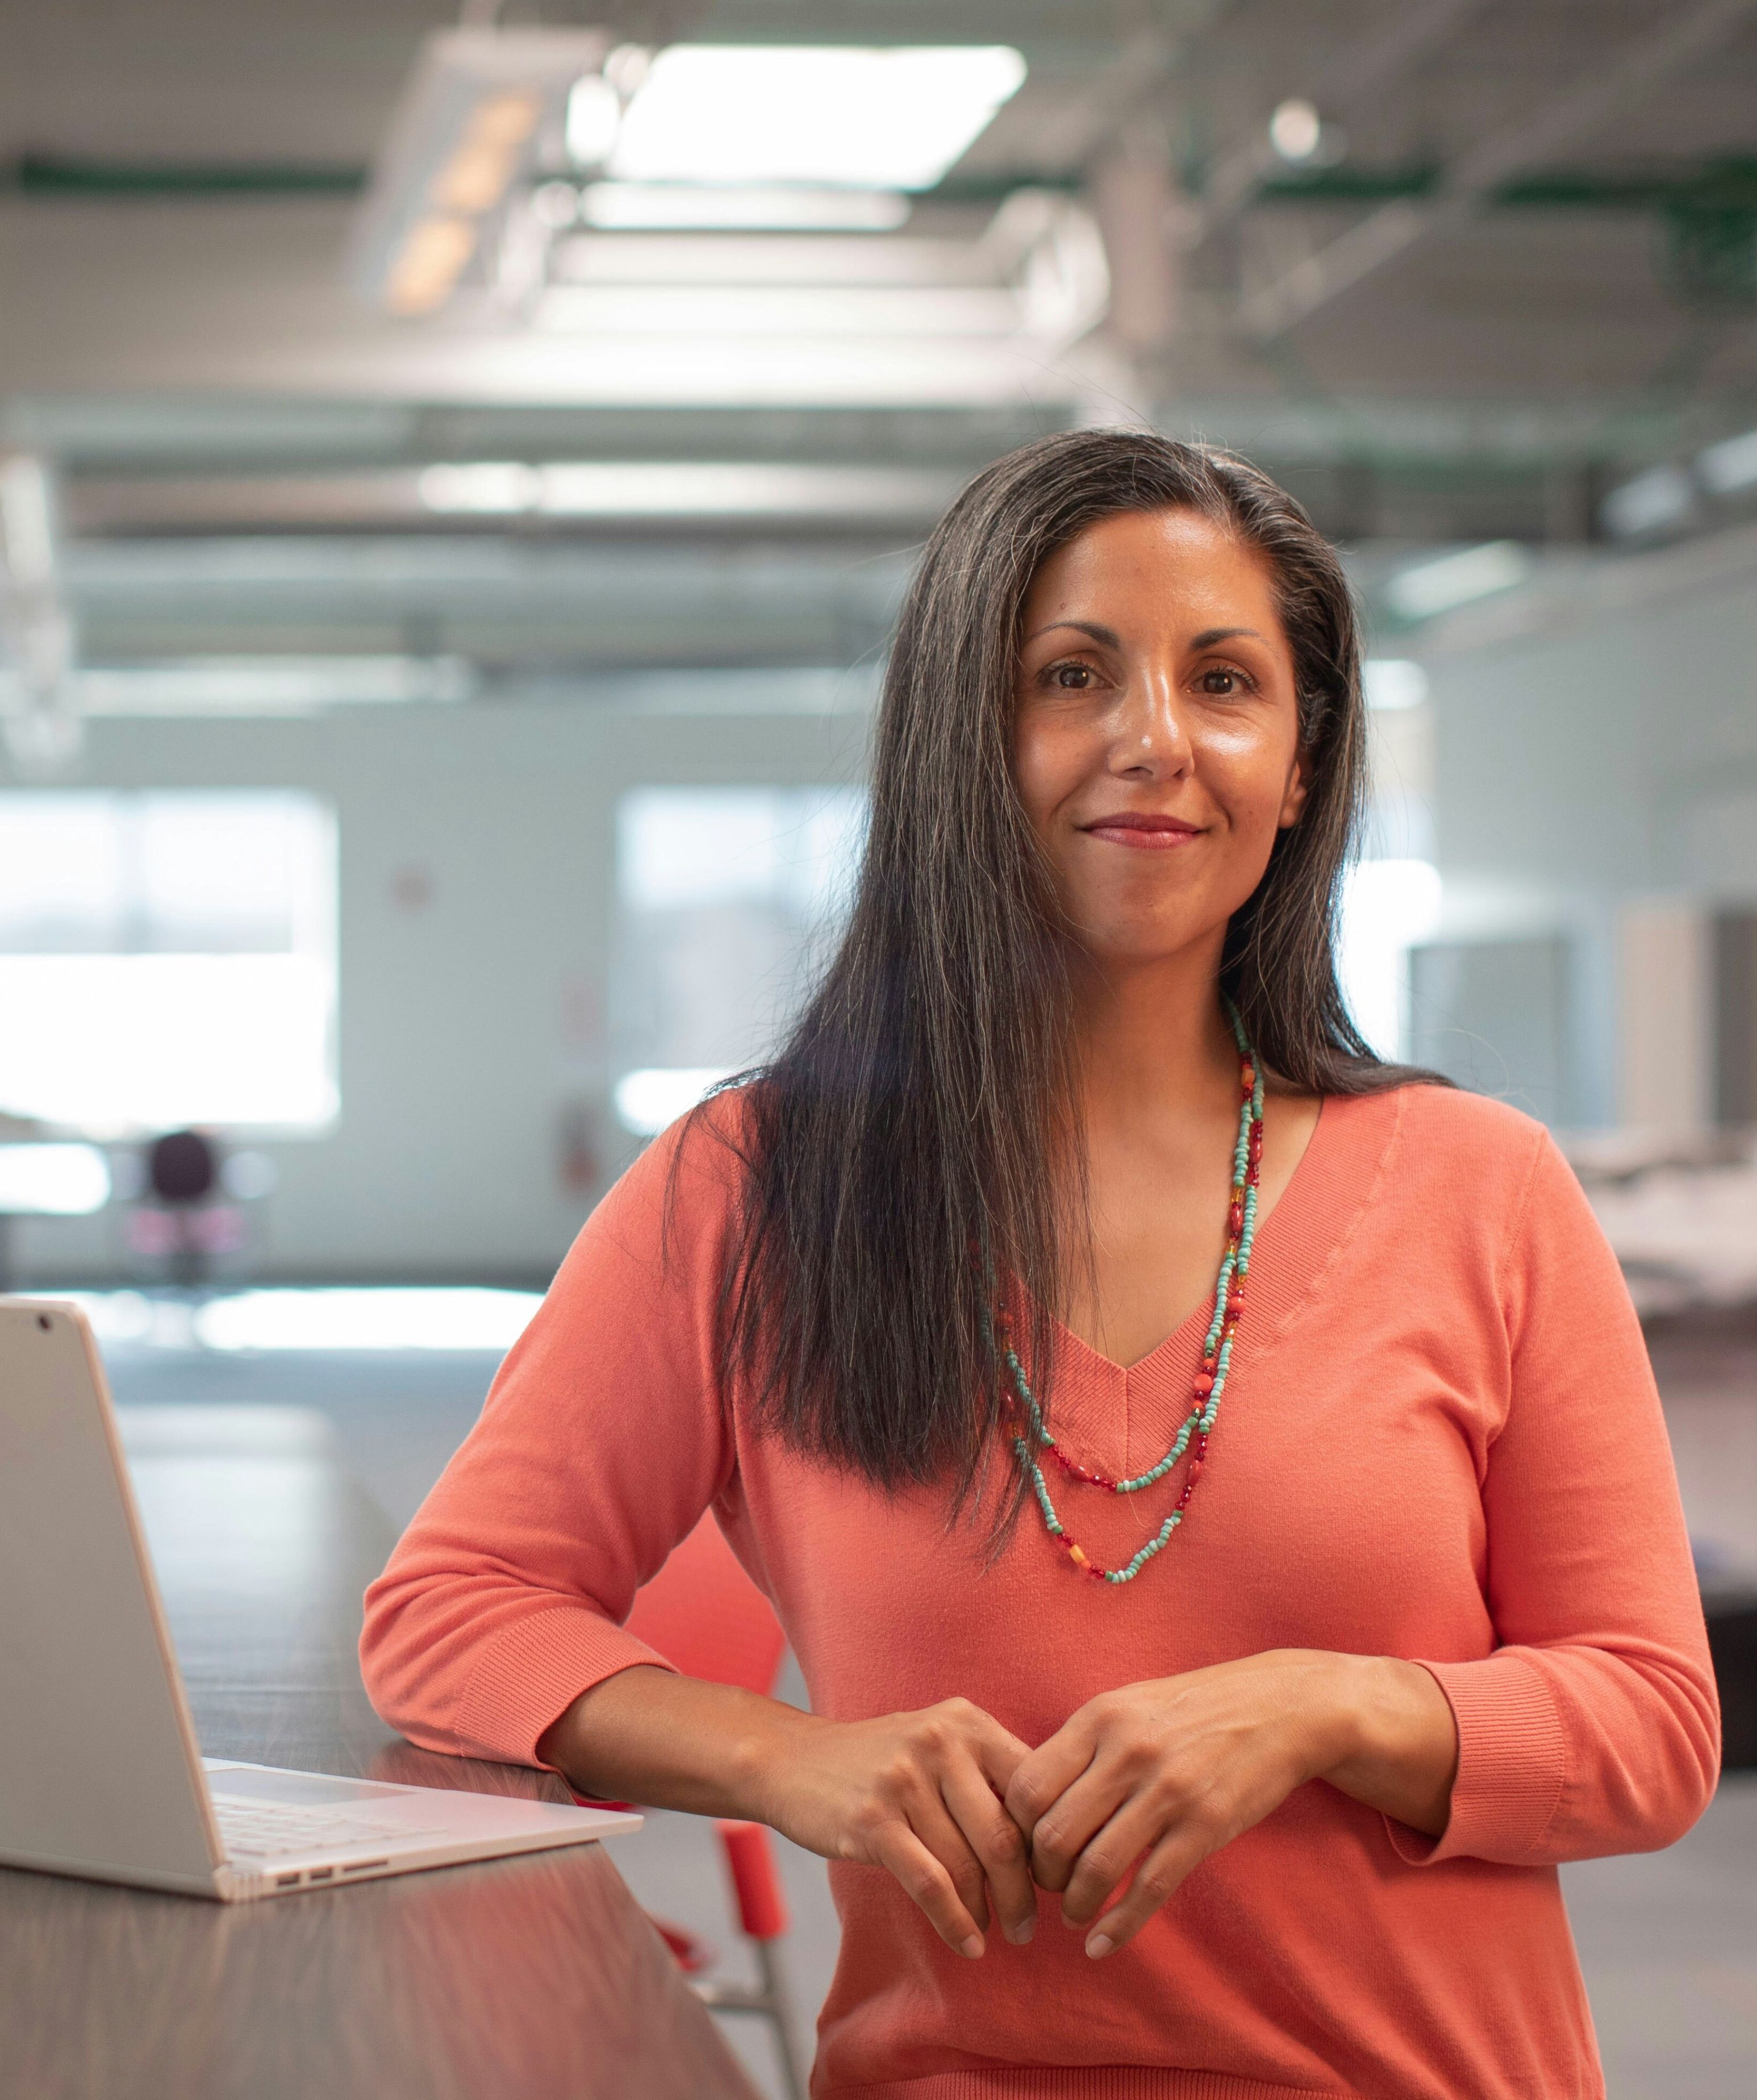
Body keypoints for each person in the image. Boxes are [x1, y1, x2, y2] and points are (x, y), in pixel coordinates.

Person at [360, 430, 1720, 2098]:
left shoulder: (1483, 1189)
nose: (1152, 740)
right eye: (1071, 676)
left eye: (1223, 681)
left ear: (1298, 768)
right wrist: (787, 1760)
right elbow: (448, 1612)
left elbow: (1652, 1727)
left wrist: (1329, 1709)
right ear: (965, 742)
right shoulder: (752, 1192)